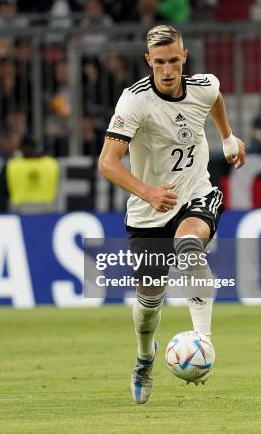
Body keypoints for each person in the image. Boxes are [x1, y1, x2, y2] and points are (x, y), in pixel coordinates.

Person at [98, 25, 246, 404]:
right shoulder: (134, 102)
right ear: (149, 61)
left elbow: (215, 99)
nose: (167, 69)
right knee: (148, 303)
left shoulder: (203, 86)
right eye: (159, 62)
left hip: (196, 193)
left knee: (189, 244)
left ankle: (203, 344)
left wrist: (227, 138)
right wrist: (147, 191)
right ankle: (144, 359)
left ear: (184, 57)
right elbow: (107, 163)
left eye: (174, 61)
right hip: (148, 211)